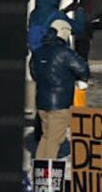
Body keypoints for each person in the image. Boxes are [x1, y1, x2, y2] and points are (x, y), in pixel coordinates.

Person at [31, 19, 89, 159]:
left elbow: (33, 72)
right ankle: (47, 172)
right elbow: (83, 68)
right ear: (63, 32)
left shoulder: (38, 51)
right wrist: (79, 79)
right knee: (55, 139)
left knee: (46, 136)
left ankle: (40, 170)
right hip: (60, 103)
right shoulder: (65, 53)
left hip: (42, 102)